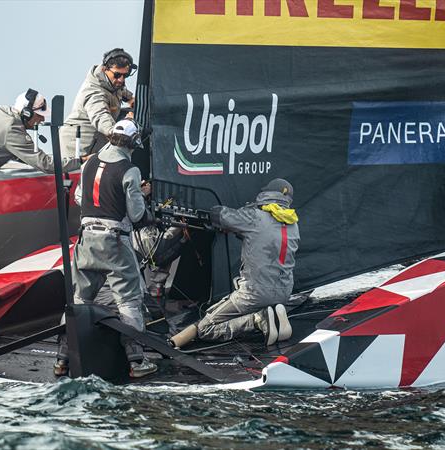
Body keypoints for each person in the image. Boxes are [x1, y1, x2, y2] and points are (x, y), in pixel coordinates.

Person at [54, 119, 157, 378]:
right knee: (128, 300)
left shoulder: (89, 162)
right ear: (134, 143)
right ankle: (137, 362)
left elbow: (80, 198)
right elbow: (135, 214)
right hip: (114, 242)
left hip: (86, 240)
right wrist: (142, 195)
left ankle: (62, 359)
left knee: (79, 299)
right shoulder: (129, 170)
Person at [169, 179, 300, 348]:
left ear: (266, 194)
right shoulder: (293, 223)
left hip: (254, 294)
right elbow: (263, 237)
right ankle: (271, 316)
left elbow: (220, 215)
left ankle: (257, 320)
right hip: (284, 293)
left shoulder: (254, 217)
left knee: (205, 328)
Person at [60, 48, 136, 158]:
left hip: (96, 142)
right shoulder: (94, 93)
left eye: (126, 75)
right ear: (105, 69)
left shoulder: (111, 82)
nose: (121, 80)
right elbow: (101, 117)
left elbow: (120, 90)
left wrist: (130, 99)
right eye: (117, 75)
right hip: (79, 147)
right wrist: (124, 129)